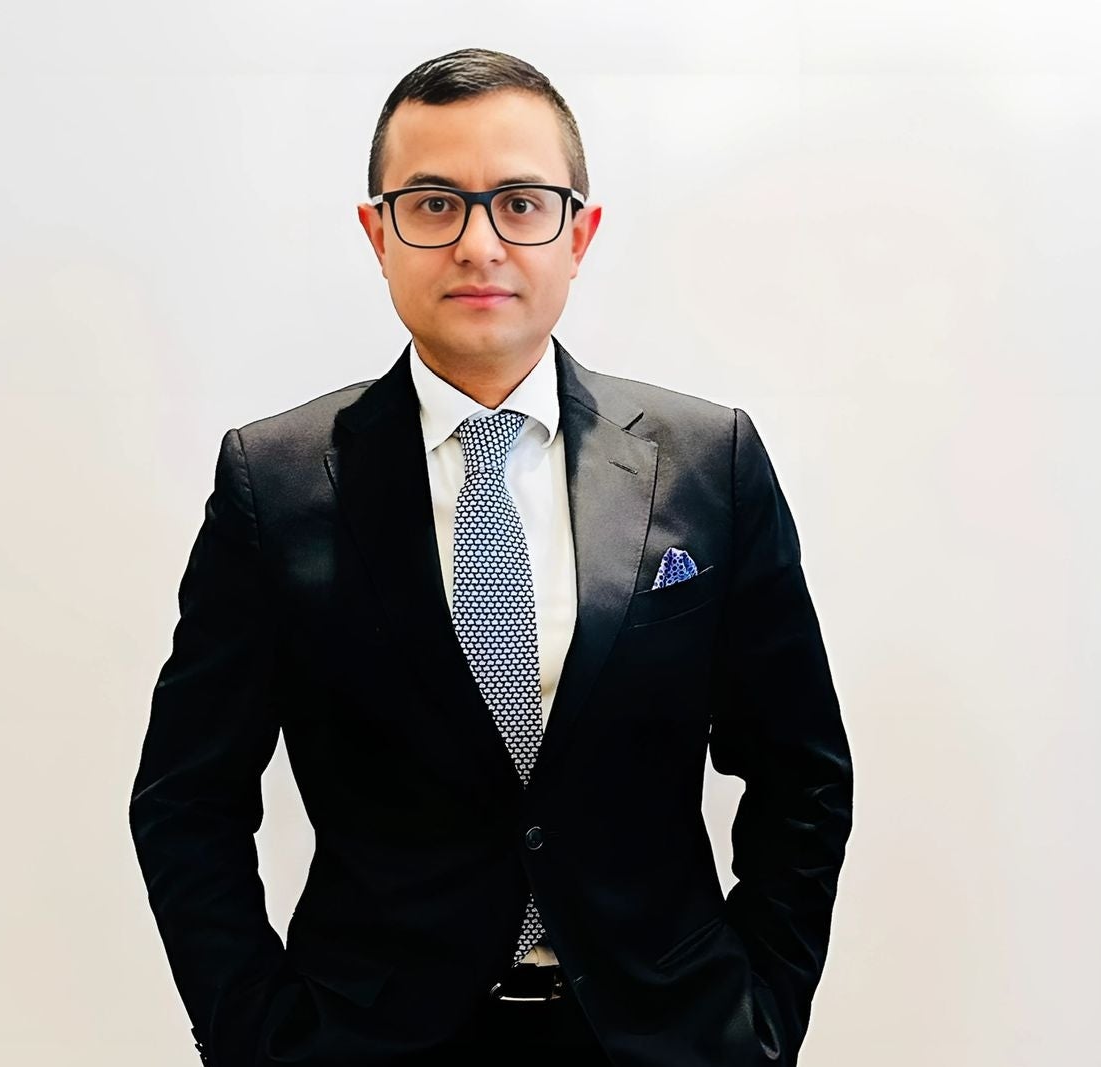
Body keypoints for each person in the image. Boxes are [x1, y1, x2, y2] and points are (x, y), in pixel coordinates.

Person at [129, 46, 853, 1067]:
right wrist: (257, 1037)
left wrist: (760, 1015)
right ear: (378, 234)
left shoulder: (705, 461)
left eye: (520, 203)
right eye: (433, 204)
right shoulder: (276, 482)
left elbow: (800, 773)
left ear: (578, 233)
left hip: (664, 1035)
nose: (479, 244)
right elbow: (186, 800)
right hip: (369, 1041)